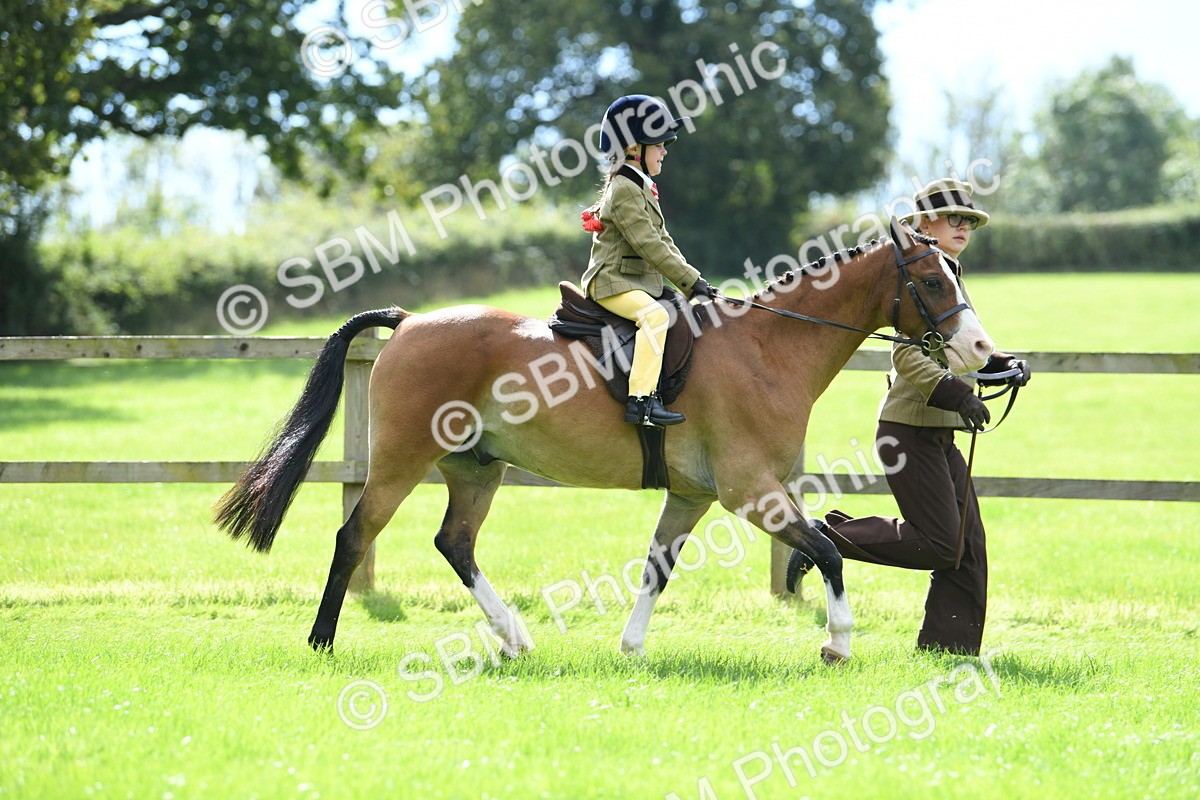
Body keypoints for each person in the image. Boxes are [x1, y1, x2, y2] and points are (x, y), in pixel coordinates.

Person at [790, 178, 1031, 656]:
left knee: (968, 547)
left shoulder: (950, 274)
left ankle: (948, 651)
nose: (964, 226)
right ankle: (823, 536)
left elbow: (957, 349)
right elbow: (909, 357)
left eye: (970, 220)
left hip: (938, 433)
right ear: (924, 224)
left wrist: (1001, 364)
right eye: (953, 218)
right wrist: (958, 396)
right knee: (941, 545)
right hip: (909, 431)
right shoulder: (911, 278)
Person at [579, 94, 717, 428]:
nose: (665, 151)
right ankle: (640, 401)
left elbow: (664, 240)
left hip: (635, 281)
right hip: (613, 281)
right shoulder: (625, 188)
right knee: (654, 317)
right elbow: (647, 245)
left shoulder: (641, 186)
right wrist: (688, 281)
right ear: (632, 149)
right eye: (658, 144)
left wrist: (693, 280)